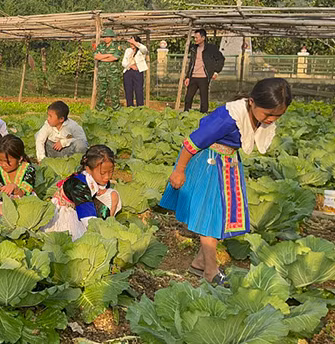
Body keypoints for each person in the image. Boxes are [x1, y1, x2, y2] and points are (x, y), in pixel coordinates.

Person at [161, 78, 292, 285]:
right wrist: (179, 171)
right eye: (268, 114)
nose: (270, 120)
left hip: (227, 164)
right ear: (251, 102)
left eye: (277, 116)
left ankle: (199, 262)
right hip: (208, 164)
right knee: (210, 218)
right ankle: (210, 272)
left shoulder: (255, 117)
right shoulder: (228, 118)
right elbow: (192, 143)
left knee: (221, 215)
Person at [42, 145, 121, 240]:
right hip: (66, 215)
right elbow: (88, 219)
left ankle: (109, 222)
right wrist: (104, 235)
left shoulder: (96, 178)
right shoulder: (78, 185)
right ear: (88, 169)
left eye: (111, 172)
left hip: (83, 207)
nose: (107, 177)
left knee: (113, 194)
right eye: (103, 173)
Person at [183, 29, 225, 113]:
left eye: (197, 38)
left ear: (203, 38)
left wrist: (216, 72)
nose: (195, 39)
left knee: (204, 98)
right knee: (188, 98)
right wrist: (187, 77)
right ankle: (185, 115)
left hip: (204, 77)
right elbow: (191, 63)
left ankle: (203, 115)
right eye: (194, 38)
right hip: (193, 76)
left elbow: (221, 59)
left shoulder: (211, 48)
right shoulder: (193, 48)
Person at [94, 29, 123, 110]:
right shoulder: (100, 46)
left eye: (107, 36)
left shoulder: (117, 46)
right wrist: (108, 55)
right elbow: (96, 56)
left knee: (114, 93)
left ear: (111, 37)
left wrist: (102, 57)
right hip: (102, 73)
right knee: (100, 93)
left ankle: (116, 109)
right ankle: (99, 109)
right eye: (104, 37)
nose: (105, 38)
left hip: (113, 74)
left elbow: (114, 58)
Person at [122, 36, 149, 107]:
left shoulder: (141, 50)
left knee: (139, 90)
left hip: (138, 72)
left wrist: (135, 43)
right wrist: (130, 66)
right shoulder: (128, 50)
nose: (131, 43)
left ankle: (140, 106)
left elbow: (144, 49)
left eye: (132, 42)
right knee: (128, 90)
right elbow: (123, 62)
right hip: (128, 71)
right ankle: (130, 106)